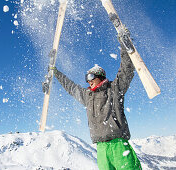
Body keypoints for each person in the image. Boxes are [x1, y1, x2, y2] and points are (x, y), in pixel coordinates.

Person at [49, 41, 142, 169]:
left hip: (118, 145)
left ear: (100, 76)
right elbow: (71, 87)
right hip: (101, 148)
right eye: (87, 78)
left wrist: (124, 44)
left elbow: (126, 70)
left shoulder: (113, 89)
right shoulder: (88, 96)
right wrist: (56, 73)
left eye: (91, 76)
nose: (89, 80)